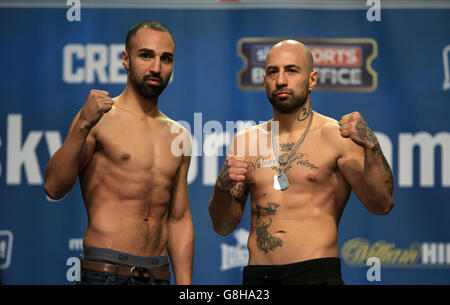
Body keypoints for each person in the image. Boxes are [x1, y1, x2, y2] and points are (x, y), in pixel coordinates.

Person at [208, 40, 394, 285]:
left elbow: (381, 204)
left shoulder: (336, 136)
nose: (281, 80)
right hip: (258, 279)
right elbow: (223, 226)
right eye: (273, 71)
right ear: (265, 80)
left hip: (316, 275)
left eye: (292, 70)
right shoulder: (245, 142)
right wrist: (222, 186)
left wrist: (372, 144)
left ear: (312, 79)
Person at [44, 20, 194, 285]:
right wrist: (82, 125)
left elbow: (178, 219)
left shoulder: (178, 135)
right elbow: (54, 187)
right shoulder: (98, 118)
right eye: (146, 56)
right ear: (126, 59)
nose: (156, 67)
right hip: (105, 273)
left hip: (159, 275)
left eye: (166, 59)